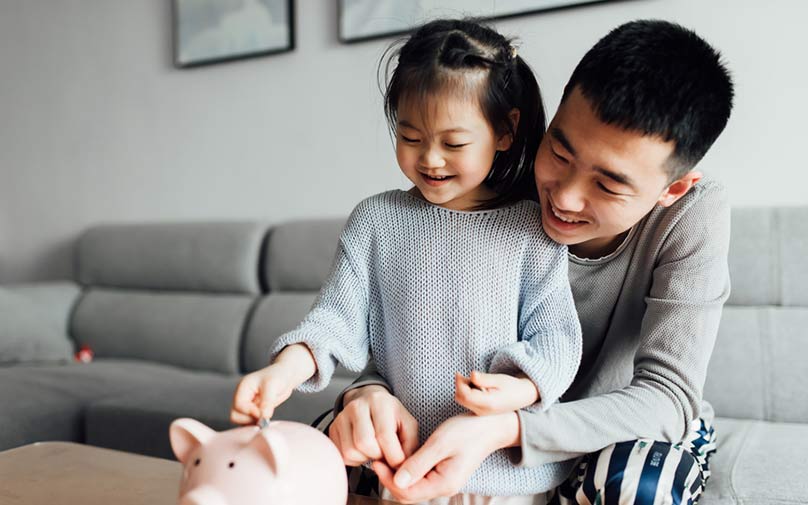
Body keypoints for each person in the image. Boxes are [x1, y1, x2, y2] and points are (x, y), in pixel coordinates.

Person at [332, 19, 734, 505]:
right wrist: (366, 393)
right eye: (560, 152)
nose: (563, 196)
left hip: (610, 425)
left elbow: (667, 396)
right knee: (327, 450)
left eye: (607, 185)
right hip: (476, 425)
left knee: (633, 486)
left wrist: (511, 430)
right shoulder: (490, 179)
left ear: (672, 188)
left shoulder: (694, 214)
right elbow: (400, 334)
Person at [230, 19, 584, 504]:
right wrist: (283, 372)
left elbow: (557, 338)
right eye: (410, 137)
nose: (430, 160)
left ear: (505, 131)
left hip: (505, 480)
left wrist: (520, 391)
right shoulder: (377, 221)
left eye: (454, 143)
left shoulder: (530, 231)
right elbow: (335, 320)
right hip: (402, 471)